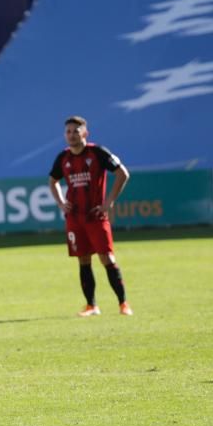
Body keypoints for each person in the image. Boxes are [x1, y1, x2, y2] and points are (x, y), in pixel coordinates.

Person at [47, 115, 133, 317]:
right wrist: (60, 202)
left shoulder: (98, 153)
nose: (71, 135)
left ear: (85, 133)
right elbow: (53, 180)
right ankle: (91, 306)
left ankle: (123, 303)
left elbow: (123, 173)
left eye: (76, 131)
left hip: (95, 216)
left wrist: (108, 201)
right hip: (75, 219)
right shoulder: (63, 157)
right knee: (83, 260)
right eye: (68, 132)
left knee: (107, 258)